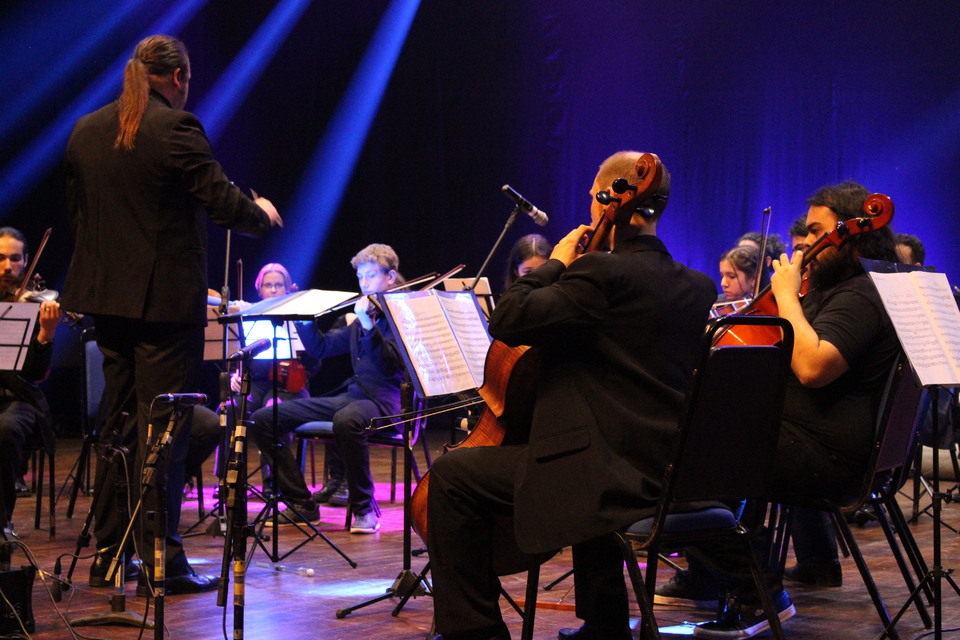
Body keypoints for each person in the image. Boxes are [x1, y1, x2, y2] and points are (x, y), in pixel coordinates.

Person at [426, 151, 717, 640]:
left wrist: (558, 261)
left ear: (611, 200)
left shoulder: (601, 275)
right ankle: (604, 623)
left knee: (454, 475)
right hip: (667, 470)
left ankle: (472, 632)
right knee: (582, 437)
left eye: (592, 201)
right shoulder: (696, 285)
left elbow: (509, 318)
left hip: (606, 480)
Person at [62, 34, 281, 595]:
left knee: (120, 430)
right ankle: (164, 562)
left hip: (107, 304)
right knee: (165, 430)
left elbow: (79, 218)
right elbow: (221, 202)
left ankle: (111, 556)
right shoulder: (175, 128)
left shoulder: (86, 130)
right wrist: (259, 214)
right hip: (162, 306)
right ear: (178, 76)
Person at [656, 181, 901, 638]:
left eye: (815, 231)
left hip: (827, 454)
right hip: (805, 438)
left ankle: (755, 592)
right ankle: (718, 579)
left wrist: (785, 295)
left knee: (675, 451)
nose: (805, 244)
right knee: (691, 435)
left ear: (852, 234)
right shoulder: (839, 290)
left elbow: (811, 367)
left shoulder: (861, 294)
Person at [248, 243, 406, 534]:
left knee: (347, 421)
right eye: (360, 277)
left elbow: (389, 366)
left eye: (371, 275)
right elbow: (320, 348)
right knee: (263, 418)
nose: (364, 283)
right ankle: (301, 501)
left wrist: (367, 325)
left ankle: (364, 508)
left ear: (390, 278)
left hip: (386, 402)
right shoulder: (365, 315)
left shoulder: (402, 315)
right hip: (354, 397)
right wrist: (305, 317)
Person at [0, 228, 62, 538]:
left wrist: (45, 334)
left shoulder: (31, 304)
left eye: (14, 258)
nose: (7, 267)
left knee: (4, 428)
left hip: (17, 396)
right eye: (0, 258)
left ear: (26, 262)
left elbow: (36, 375)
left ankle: (2, 522)